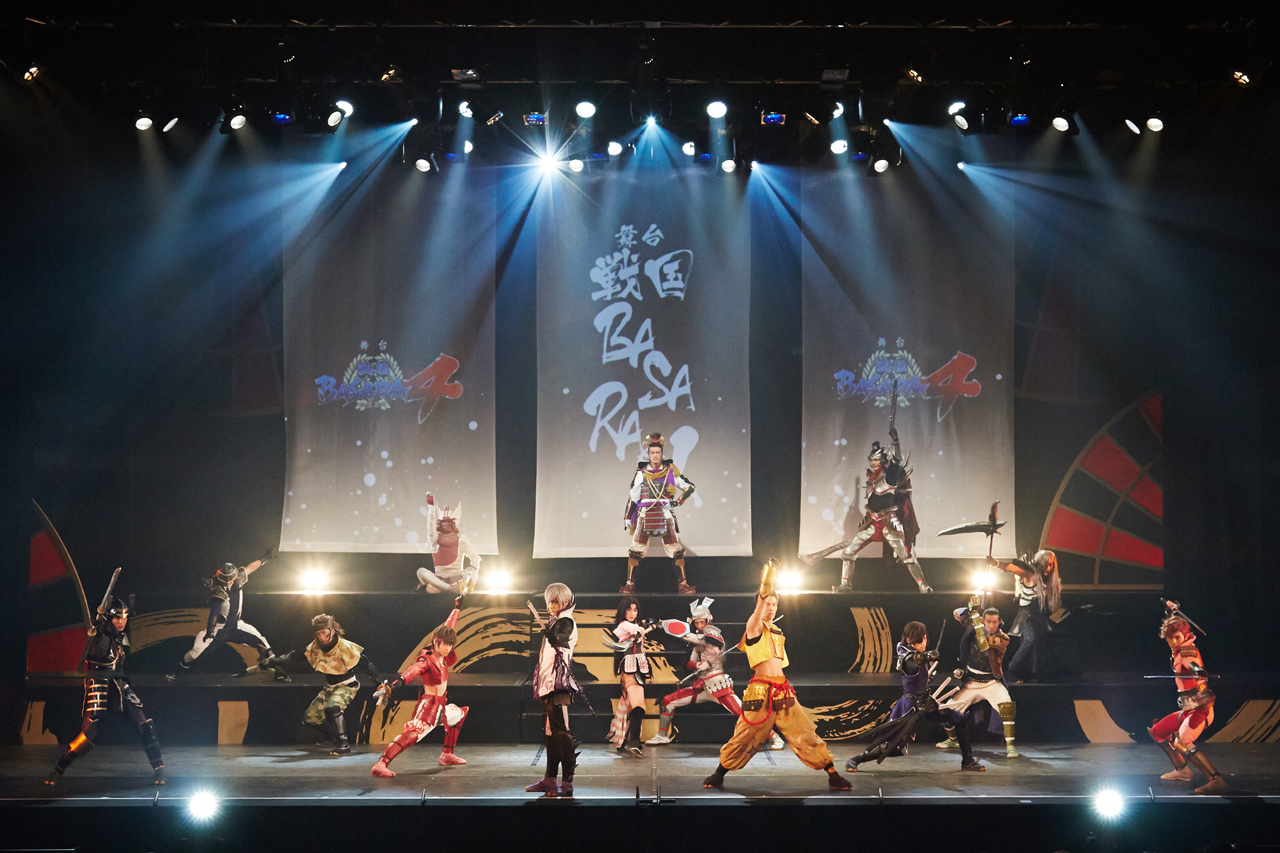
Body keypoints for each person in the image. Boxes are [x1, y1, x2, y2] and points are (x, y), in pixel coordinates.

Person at [702, 559, 851, 791]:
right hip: (760, 691)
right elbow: (762, 599)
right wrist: (769, 574)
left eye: (774, 604)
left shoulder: (777, 632)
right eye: (767, 604)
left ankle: (832, 773)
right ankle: (719, 773)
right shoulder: (754, 627)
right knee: (745, 735)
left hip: (782, 689)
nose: (770, 608)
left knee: (804, 731)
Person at [46, 582, 165, 786]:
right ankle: (59, 769)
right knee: (89, 733)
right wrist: (99, 627)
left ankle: (159, 769)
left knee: (144, 724)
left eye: (124, 617)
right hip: (99, 684)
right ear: (109, 618)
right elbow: (99, 652)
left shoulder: (120, 636)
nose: (122, 621)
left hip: (119, 684)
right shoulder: (98, 635)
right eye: (117, 617)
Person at [801, 428, 931, 593]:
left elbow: (897, 460)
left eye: (876, 460)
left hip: (889, 523)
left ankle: (923, 585)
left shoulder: (889, 475)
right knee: (848, 553)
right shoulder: (871, 479)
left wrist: (896, 441)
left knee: (907, 556)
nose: (873, 463)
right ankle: (845, 585)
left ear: (882, 460)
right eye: (871, 460)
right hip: (872, 523)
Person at [647, 597, 784, 751]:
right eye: (697, 623)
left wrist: (661, 624)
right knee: (668, 701)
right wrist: (697, 665)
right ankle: (662, 735)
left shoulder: (713, 634)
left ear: (708, 620)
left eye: (702, 622)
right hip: (702, 686)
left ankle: (775, 737)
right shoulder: (695, 643)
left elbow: (688, 636)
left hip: (718, 686)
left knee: (744, 714)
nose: (700, 625)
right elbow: (689, 663)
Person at [845, 621, 983, 772]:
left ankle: (967, 761)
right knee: (894, 747)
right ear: (909, 640)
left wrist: (927, 676)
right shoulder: (907, 657)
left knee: (960, 719)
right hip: (910, 707)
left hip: (927, 704)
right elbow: (914, 660)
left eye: (924, 638)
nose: (923, 642)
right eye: (919, 639)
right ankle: (856, 759)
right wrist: (927, 655)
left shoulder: (913, 653)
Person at [370, 602, 469, 775]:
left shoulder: (443, 654)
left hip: (441, 706)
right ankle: (381, 764)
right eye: (445, 644)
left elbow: (449, 625)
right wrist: (397, 683)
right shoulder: (427, 659)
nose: (448, 648)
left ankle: (447, 754)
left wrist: (457, 608)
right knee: (412, 735)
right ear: (435, 642)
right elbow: (414, 670)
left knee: (460, 713)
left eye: (451, 645)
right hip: (429, 706)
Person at [262, 614, 379, 755]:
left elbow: (365, 663)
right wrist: (274, 661)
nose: (321, 637)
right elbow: (296, 655)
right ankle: (331, 736)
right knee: (311, 717)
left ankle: (344, 744)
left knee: (333, 707)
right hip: (330, 687)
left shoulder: (344, 646)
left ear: (332, 631)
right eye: (318, 634)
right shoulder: (316, 646)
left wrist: (377, 681)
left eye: (324, 632)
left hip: (347, 685)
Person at [1148, 600, 1226, 794]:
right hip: (1189, 709)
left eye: (1177, 637)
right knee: (1158, 732)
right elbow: (1174, 627)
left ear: (1185, 635)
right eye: (1170, 638)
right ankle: (1182, 771)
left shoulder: (1186, 651)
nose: (1173, 641)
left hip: (1201, 710)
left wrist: (1198, 671)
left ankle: (1216, 780)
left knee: (1183, 741)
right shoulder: (1178, 648)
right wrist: (1170, 612)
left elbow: (1192, 664)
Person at [936, 599, 1018, 758]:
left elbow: (983, 643)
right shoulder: (975, 627)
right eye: (988, 621)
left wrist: (975, 616)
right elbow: (956, 614)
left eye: (995, 622)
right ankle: (953, 740)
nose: (992, 625)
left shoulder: (1003, 638)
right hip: (972, 682)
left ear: (1000, 622)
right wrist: (970, 607)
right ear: (984, 621)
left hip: (992, 683)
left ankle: (1010, 747)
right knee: (946, 710)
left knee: (1007, 707)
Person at [525, 583, 581, 797]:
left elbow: (562, 638)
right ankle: (550, 780)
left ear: (565, 602)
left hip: (559, 685)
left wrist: (554, 637)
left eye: (555, 601)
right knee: (551, 733)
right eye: (549, 601)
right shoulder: (555, 620)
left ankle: (566, 783)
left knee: (561, 733)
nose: (551, 605)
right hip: (548, 684)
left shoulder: (566, 621)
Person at [622, 432, 697, 594]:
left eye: (657, 452)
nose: (655, 455)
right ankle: (630, 584)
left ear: (662, 454)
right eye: (652, 452)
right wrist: (628, 516)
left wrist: (679, 501)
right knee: (635, 550)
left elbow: (689, 487)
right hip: (645, 513)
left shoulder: (670, 472)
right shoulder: (641, 473)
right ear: (648, 455)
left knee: (676, 550)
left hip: (664, 512)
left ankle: (683, 584)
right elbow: (633, 496)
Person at [180, 551, 275, 674]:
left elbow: (250, 568)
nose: (228, 582)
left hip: (237, 625)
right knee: (195, 653)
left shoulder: (239, 578)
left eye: (230, 579)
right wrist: (210, 631)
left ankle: (270, 668)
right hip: (219, 629)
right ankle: (176, 671)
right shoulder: (218, 590)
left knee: (263, 644)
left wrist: (264, 558)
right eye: (225, 580)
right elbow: (214, 613)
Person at [989, 550, 1062, 681]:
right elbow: (1014, 568)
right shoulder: (1031, 574)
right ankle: (1011, 669)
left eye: (1051, 564)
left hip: (1038, 615)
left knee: (1039, 642)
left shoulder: (1048, 580)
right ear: (1040, 563)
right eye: (1046, 563)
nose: (1049, 567)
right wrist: (995, 563)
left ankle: (1034, 673)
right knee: (1029, 639)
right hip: (1026, 615)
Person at [602, 596, 654, 757]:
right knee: (638, 706)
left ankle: (628, 740)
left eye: (635, 610)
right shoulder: (624, 625)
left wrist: (650, 625)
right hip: (630, 669)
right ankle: (633, 742)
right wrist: (642, 629)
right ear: (623, 611)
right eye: (629, 609)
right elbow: (634, 629)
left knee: (633, 706)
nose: (632, 613)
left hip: (638, 668)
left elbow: (638, 629)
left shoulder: (634, 625)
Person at [414, 493, 481, 595]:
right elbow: (430, 529)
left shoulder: (462, 540)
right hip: (438, 581)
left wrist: (471, 572)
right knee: (421, 571)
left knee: (473, 573)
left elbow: (475, 557)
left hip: (458, 579)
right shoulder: (435, 539)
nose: (446, 524)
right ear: (439, 523)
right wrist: (431, 508)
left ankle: (453, 588)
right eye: (443, 522)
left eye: (449, 522)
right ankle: (448, 589)